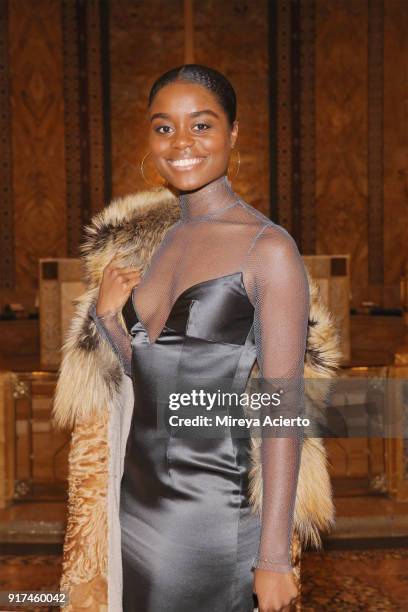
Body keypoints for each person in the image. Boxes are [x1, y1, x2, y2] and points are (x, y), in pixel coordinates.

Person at [89, 64, 308, 612]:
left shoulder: (268, 249)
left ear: (233, 135)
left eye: (201, 125)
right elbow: (155, 380)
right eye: (164, 128)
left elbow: (285, 410)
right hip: (139, 507)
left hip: (213, 515)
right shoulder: (164, 243)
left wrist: (274, 558)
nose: (180, 142)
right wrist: (111, 320)